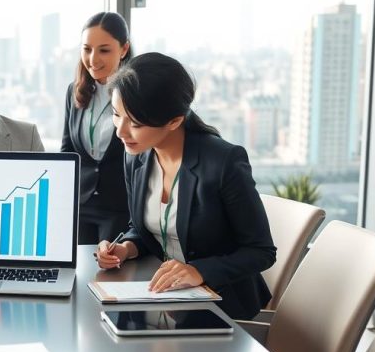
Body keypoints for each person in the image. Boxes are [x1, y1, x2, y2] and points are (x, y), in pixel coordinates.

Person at [95, 52, 276, 320]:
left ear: (174, 121)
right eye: (116, 115)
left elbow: (261, 252)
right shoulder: (137, 155)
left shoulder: (223, 163)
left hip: (222, 310)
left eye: (135, 123)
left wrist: (199, 270)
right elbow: (144, 227)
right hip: (163, 300)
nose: (121, 131)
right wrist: (127, 248)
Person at [62, 12, 133, 244]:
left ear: (123, 50)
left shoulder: (135, 94)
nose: (93, 59)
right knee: (78, 272)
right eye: (87, 49)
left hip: (120, 205)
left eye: (104, 50)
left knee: (109, 276)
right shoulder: (75, 90)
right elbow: (68, 150)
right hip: (80, 205)